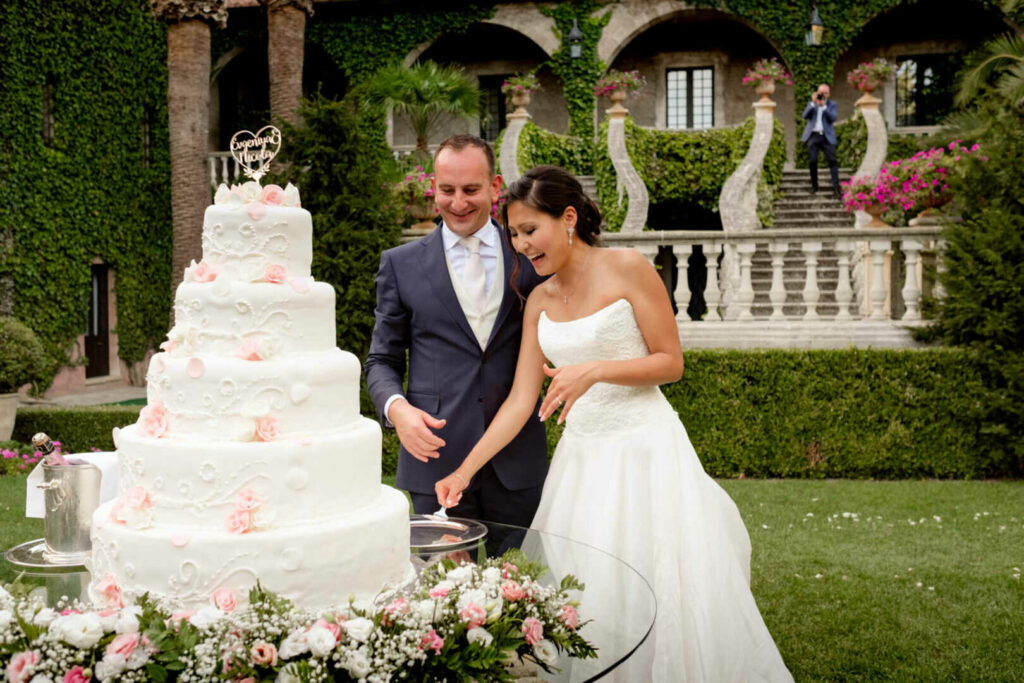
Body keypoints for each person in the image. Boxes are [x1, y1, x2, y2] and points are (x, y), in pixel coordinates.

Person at [435, 166, 793, 682]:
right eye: (513, 235)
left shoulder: (627, 268)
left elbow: (671, 362)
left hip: (645, 452)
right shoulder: (537, 300)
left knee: (662, 581)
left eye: (529, 230)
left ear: (569, 219)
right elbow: (519, 401)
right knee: (592, 586)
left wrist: (596, 370)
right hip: (582, 462)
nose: (521, 245)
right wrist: (464, 471)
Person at [364, 134, 548, 526]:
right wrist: (399, 413)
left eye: (471, 189)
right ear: (434, 189)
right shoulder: (401, 264)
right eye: (447, 190)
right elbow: (381, 360)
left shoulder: (532, 256)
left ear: (495, 187)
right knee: (445, 586)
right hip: (434, 461)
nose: (458, 202)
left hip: (518, 462)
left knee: (526, 584)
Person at [801, 83, 841, 200]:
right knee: (812, 161)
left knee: (832, 161)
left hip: (827, 136)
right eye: (821, 93)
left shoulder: (832, 104)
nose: (823, 95)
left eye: (825, 93)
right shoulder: (811, 104)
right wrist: (813, 104)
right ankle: (814, 186)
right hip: (813, 135)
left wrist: (823, 107)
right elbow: (804, 116)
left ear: (828, 94)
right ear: (817, 92)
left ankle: (836, 187)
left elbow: (833, 118)